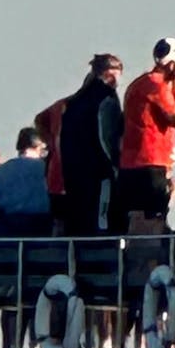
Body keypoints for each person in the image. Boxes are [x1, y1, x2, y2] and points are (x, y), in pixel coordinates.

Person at [118, 37, 175, 234]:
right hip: (150, 162)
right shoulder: (155, 85)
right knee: (153, 218)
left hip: (132, 162)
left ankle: (136, 259)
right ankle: (149, 258)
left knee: (137, 218)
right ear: (172, 64)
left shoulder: (139, 84)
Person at [58, 53, 125, 238]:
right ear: (110, 74)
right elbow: (107, 137)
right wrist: (114, 165)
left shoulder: (75, 101)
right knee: (100, 215)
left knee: (81, 213)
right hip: (98, 169)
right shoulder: (106, 98)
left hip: (73, 169)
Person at [0, 128, 54, 238]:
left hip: (9, 225)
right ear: (38, 147)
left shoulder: (2, 170)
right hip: (40, 224)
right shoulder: (44, 168)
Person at [33, 96, 67, 235]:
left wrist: (50, 142)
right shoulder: (70, 105)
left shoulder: (62, 105)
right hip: (64, 177)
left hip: (56, 176)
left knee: (58, 220)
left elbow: (39, 119)